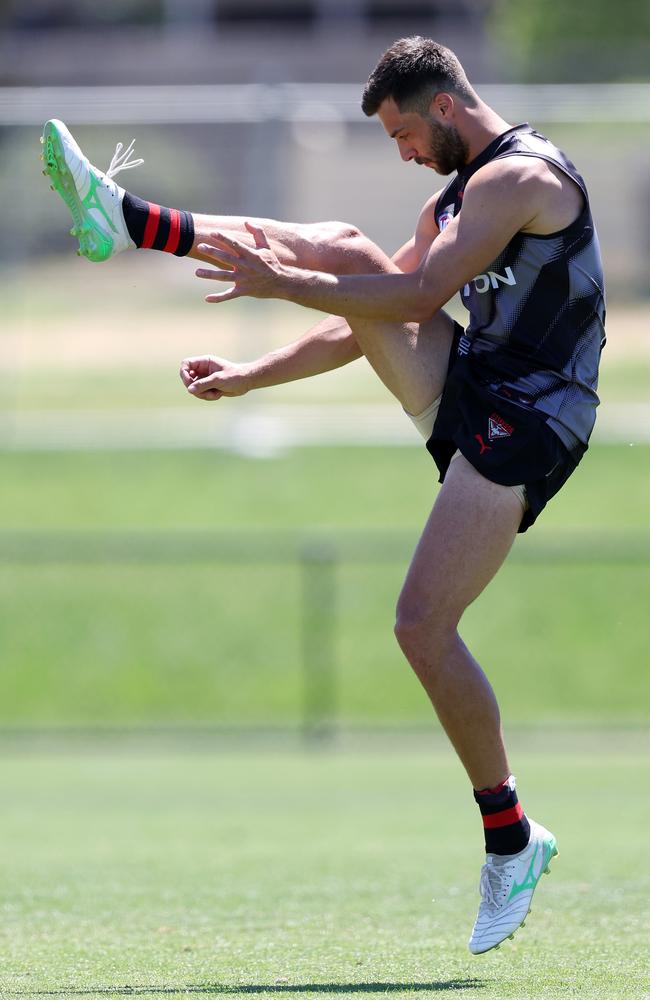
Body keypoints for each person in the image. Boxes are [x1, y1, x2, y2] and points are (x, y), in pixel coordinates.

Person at [41, 36, 605, 955]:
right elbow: (371, 307)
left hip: (539, 416)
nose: (404, 153)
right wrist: (251, 376)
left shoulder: (521, 180)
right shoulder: (455, 194)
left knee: (422, 624)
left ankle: (511, 838)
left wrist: (278, 285)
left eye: (403, 134)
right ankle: (130, 219)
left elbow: (420, 289)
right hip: (476, 385)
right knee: (348, 249)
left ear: (447, 108)